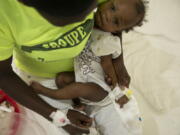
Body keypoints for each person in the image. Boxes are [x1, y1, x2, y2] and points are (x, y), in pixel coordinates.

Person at [31, 0, 146, 134]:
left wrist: (116, 92)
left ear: (117, 31)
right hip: (83, 76)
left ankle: (48, 93)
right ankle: (77, 103)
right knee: (62, 79)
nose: (108, 16)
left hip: (99, 89)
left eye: (115, 22)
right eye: (112, 8)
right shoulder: (88, 21)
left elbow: (107, 65)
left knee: (79, 88)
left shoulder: (107, 40)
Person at [0, 0, 97, 134]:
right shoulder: (4, 12)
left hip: (92, 64)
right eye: (63, 22)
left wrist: (117, 62)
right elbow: (3, 74)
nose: (75, 24)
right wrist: (57, 116)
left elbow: (125, 15)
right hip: (36, 78)